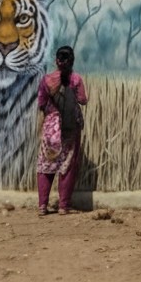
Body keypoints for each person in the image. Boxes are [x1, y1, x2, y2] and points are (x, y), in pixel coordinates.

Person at [37, 45, 88, 216]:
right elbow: (83, 100)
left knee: (46, 165)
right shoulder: (76, 79)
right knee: (67, 166)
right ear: (72, 61)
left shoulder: (46, 80)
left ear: (56, 61)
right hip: (70, 128)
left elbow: (41, 103)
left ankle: (42, 206)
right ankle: (63, 206)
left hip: (51, 129)